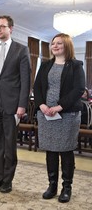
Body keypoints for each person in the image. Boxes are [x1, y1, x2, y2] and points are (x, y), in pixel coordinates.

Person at [0, 15, 31, 193]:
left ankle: (8, 180)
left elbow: (26, 80)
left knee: (9, 144)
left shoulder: (21, 50)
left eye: (2, 26)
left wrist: (22, 105)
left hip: (12, 105)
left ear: (11, 28)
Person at [34, 33, 85, 203]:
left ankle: (66, 187)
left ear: (67, 46)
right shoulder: (45, 65)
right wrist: (42, 105)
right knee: (51, 150)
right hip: (46, 115)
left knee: (66, 150)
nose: (55, 46)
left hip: (67, 115)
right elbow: (37, 87)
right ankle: (52, 185)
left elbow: (78, 89)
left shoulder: (76, 65)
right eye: (53, 43)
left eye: (59, 43)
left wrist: (58, 107)